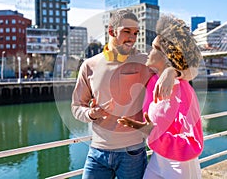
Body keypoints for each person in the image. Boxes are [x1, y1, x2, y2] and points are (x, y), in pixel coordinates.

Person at [71, 10, 197, 179]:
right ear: (111, 31)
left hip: (133, 154)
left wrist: (172, 71)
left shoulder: (145, 61)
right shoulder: (89, 65)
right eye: (126, 31)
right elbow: (76, 106)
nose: (132, 37)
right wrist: (91, 114)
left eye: (136, 33)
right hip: (97, 152)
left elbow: (193, 70)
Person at [118, 14, 204, 179]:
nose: (149, 52)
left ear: (167, 56)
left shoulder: (180, 89)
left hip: (180, 164)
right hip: (158, 159)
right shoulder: (153, 79)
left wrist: (173, 71)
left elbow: (193, 141)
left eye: (154, 48)